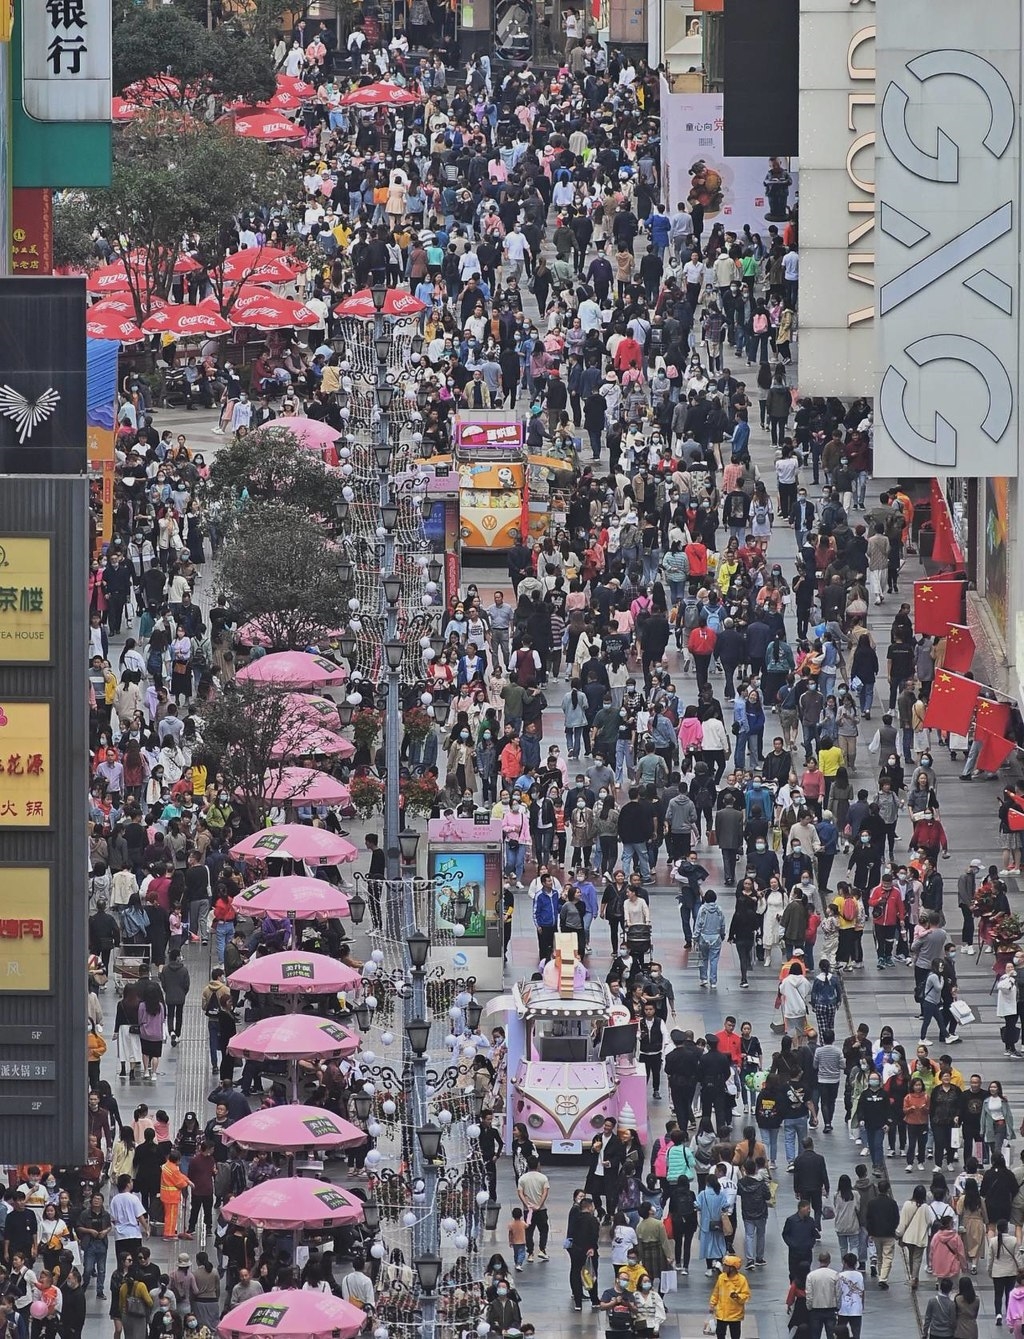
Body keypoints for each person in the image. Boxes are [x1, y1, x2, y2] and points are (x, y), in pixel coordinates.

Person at [517, 1157, 550, 1262]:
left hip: (528, 1210)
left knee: (529, 1231)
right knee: (544, 1229)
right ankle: (542, 1250)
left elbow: (520, 1193)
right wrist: (539, 1205)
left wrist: (526, 1204)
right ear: (538, 1165)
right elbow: (545, 1193)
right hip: (541, 1210)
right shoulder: (543, 1178)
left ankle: (530, 1253)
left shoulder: (522, 1178)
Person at [709, 1255, 750, 1339]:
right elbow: (716, 1292)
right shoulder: (721, 1278)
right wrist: (712, 1304)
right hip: (721, 1313)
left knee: (735, 1335)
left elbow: (746, 1295)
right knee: (720, 1334)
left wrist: (738, 1296)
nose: (723, 1267)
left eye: (725, 1265)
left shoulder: (742, 1280)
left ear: (732, 1268)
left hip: (735, 1314)